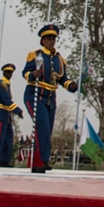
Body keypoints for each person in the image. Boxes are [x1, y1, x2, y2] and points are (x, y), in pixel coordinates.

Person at [23, 24, 77, 174]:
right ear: (42, 41)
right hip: (34, 94)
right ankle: (39, 161)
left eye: (53, 38)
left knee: (47, 130)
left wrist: (71, 85)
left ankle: (41, 160)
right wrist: (33, 74)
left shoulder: (60, 59)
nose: (51, 41)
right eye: (48, 39)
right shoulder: (35, 55)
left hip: (50, 98)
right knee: (42, 127)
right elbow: (25, 73)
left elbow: (62, 79)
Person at [0, 63, 24, 168]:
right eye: (7, 72)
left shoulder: (7, 84)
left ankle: (4, 159)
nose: (9, 74)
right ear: (4, 72)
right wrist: (17, 110)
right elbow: (6, 100)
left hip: (7, 114)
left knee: (8, 138)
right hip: (1, 113)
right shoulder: (2, 84)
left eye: (11, 72)